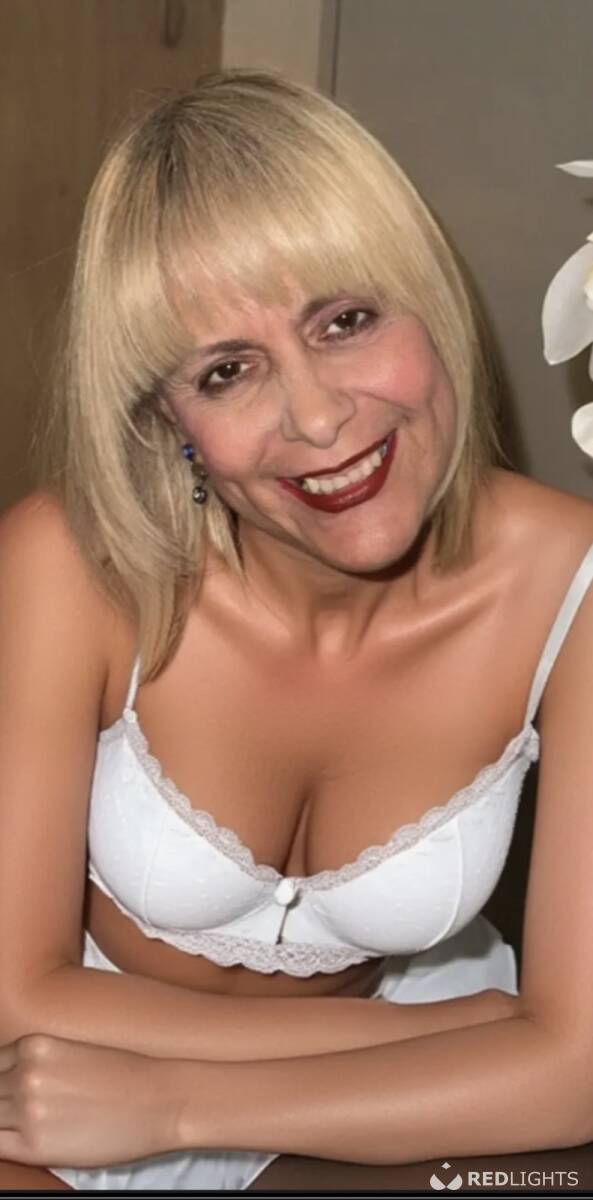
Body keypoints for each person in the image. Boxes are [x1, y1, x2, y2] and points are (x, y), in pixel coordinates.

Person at [0, 69, 592, 1192]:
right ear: (166, 418)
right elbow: (17, 996)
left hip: (360, 1098)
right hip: (61, 1070)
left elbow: (576, 1073)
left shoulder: (574, 592)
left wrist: (176, 1106)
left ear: (430, 304)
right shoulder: (69, 562)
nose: (317, 419)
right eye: (226, 372)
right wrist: (466, 1033)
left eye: (345, 321)